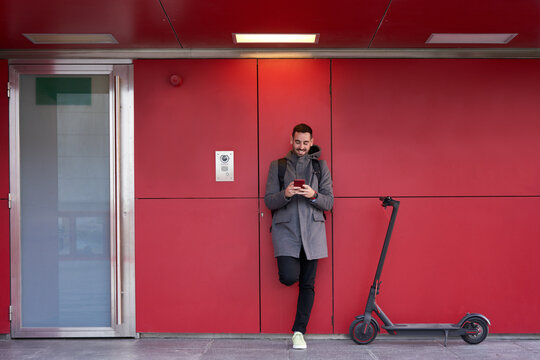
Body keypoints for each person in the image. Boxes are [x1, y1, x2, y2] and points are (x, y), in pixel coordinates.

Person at [264, 123, 334, 350]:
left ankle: (298, 332)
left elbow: (330, 202)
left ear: (311, 142)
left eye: (305, 142)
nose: (301, 146)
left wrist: (313, 195)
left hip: (313, 232)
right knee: (288, 276)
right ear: (291, 141)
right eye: (297, 142)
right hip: (286, 230)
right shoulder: (278, 166)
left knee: (308, 284)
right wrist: (285, 194)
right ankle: (298, 331)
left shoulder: (320, 167)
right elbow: (268, 200)